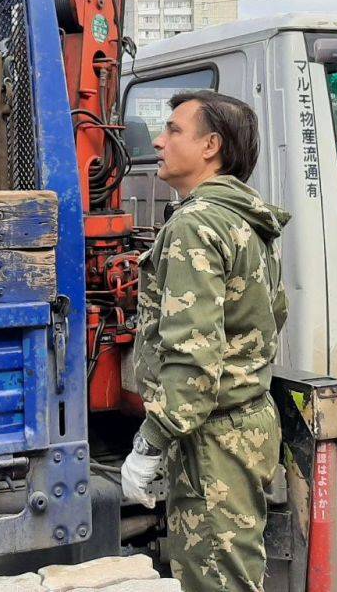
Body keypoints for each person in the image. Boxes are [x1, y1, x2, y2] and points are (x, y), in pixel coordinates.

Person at [120, 90, 290, 592]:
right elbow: (269, 317)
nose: (157, 139)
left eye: (173, 130)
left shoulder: (195, 225)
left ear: (210, 145)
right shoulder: (244, 220)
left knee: (217, 581)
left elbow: (193, 357)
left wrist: (151, 442)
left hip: (213, 439)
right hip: (243, 426)